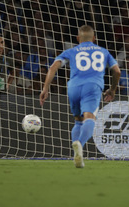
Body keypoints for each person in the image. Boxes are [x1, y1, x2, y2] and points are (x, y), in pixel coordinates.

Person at [39, 25, 120, 168]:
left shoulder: (71, 51)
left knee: (78, 121)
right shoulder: (103, 51)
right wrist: (112, 89)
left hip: (73, 87)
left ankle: (77, 157)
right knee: (90, 119)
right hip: (92, 87)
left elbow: (52, 68)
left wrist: (45, 88)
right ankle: (80, 145)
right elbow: (117, 71)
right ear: (94, 38)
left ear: (78, 38)